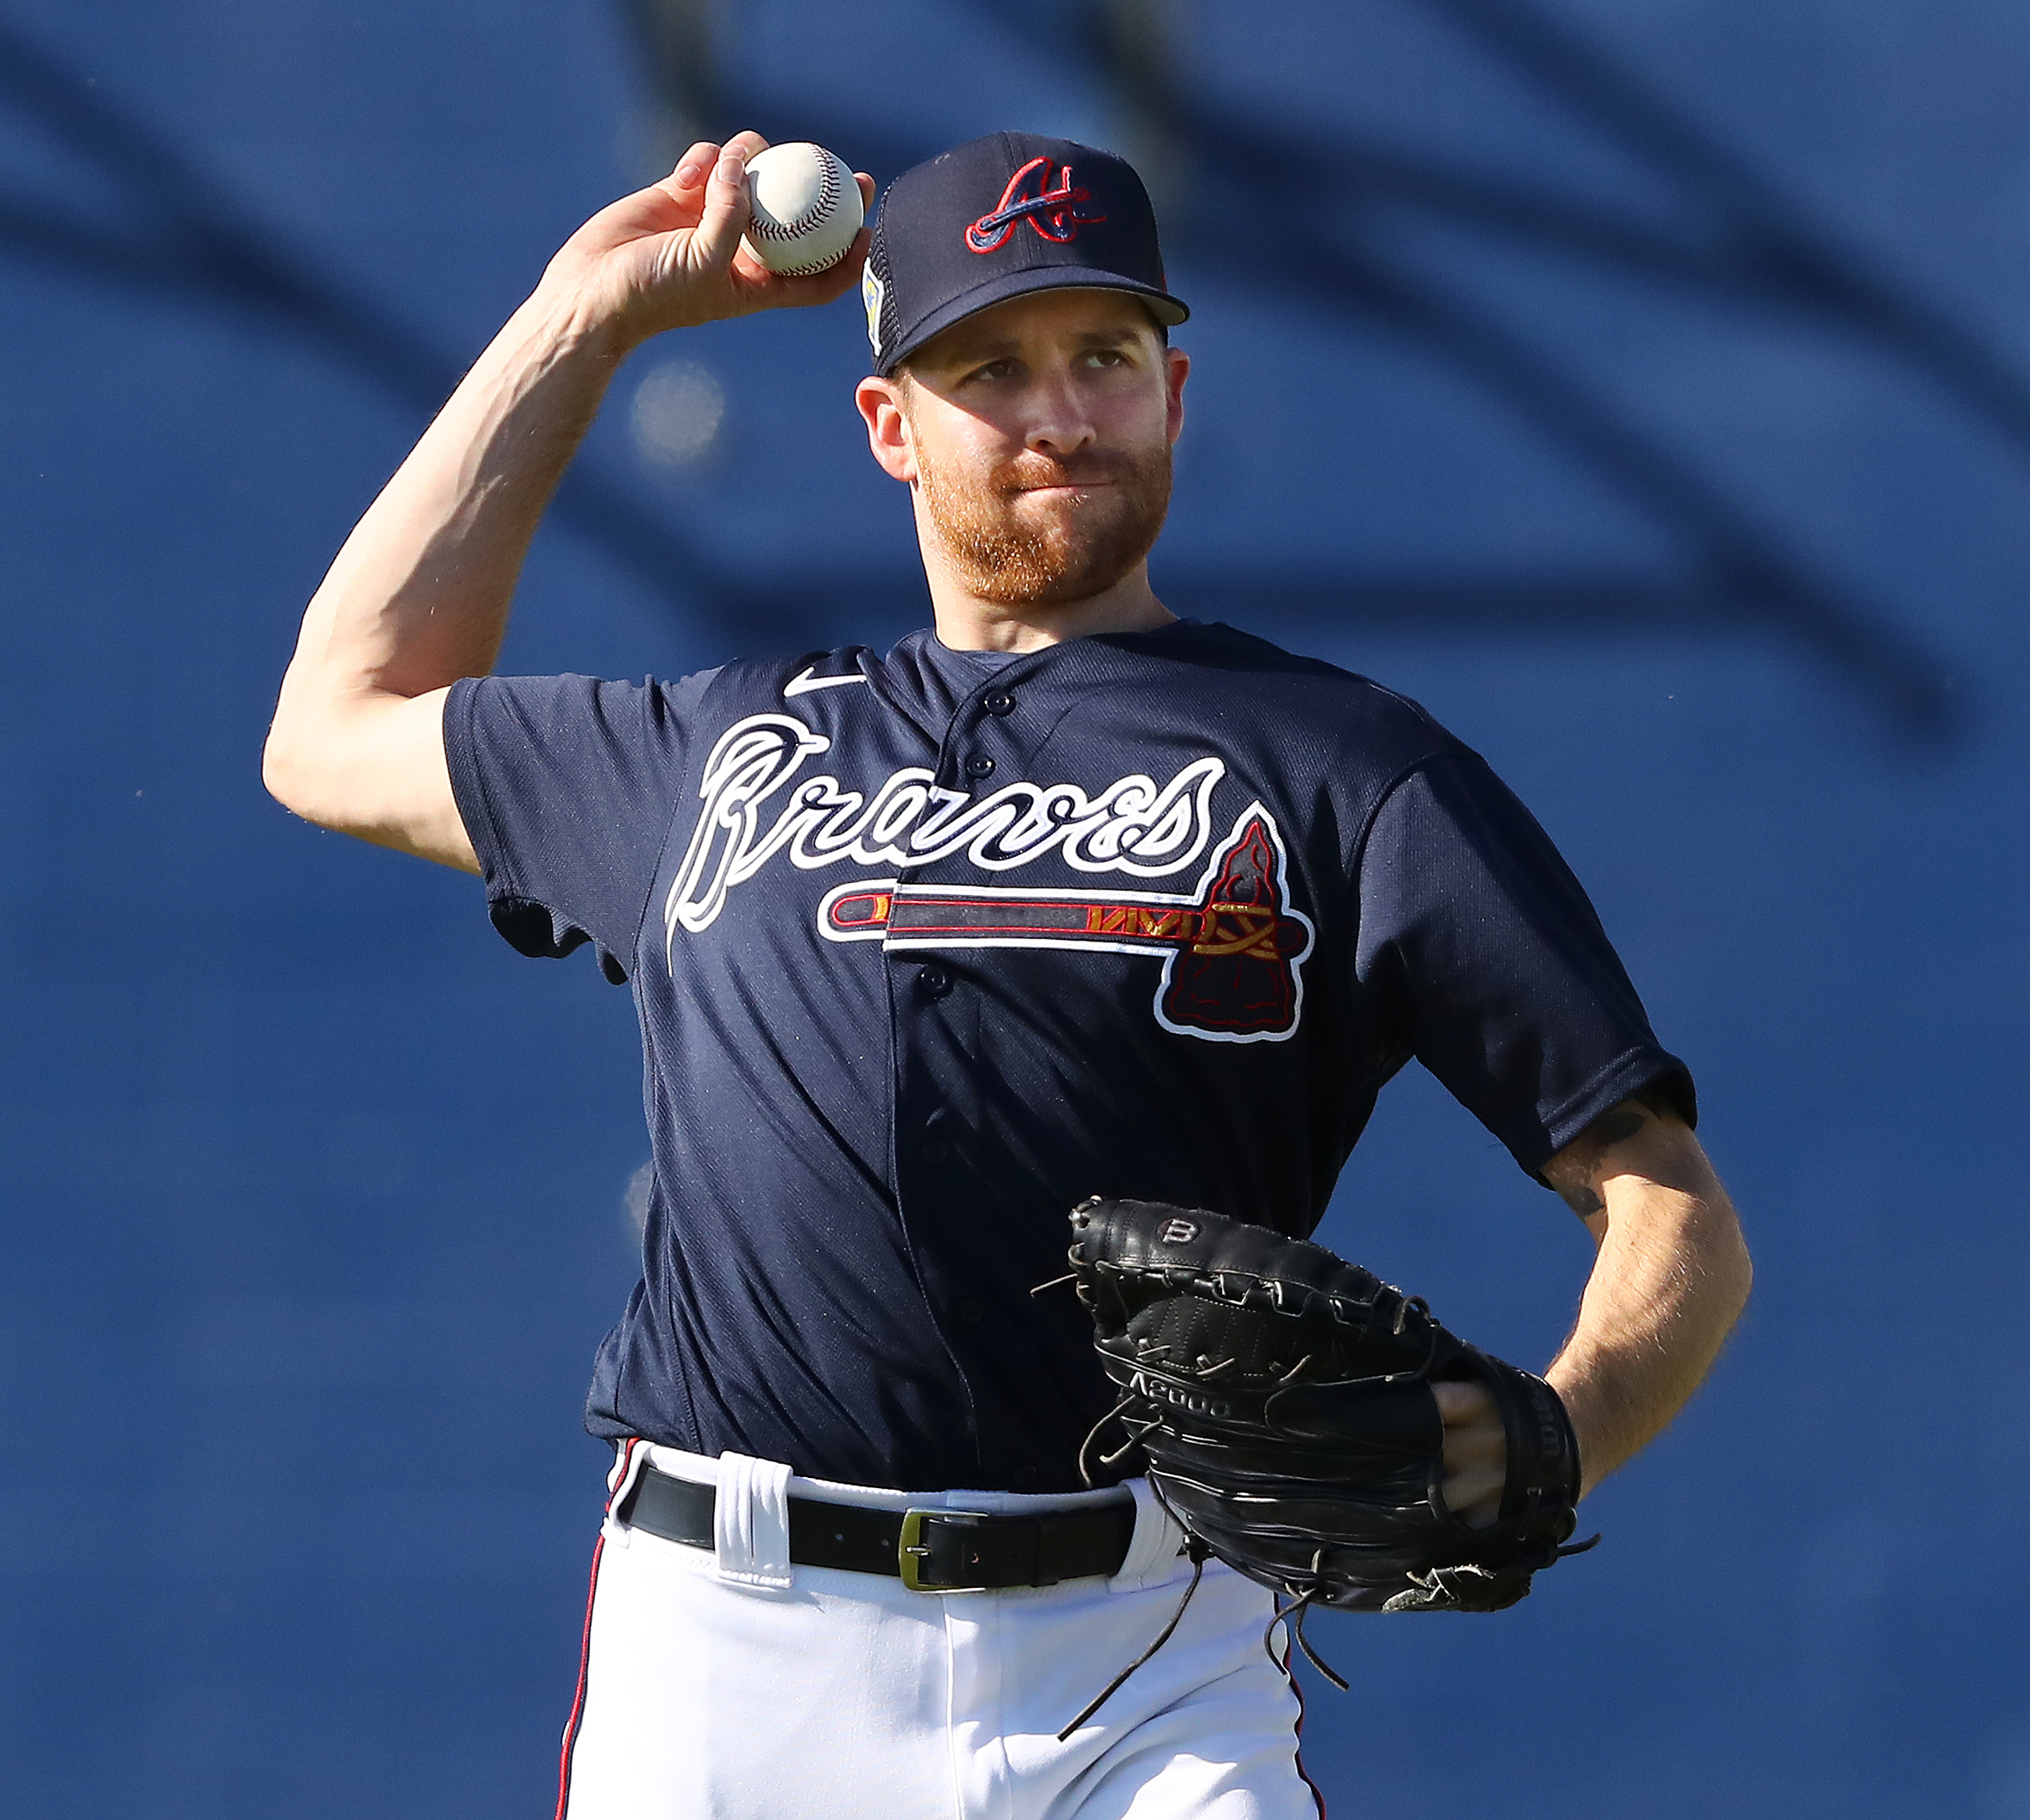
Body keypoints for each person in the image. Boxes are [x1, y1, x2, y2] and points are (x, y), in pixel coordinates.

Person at [264, 128, 1751, 1819]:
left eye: (1103, 357)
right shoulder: (724, 748)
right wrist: (579, 324)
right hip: (734, 1650)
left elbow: (1665, 1200)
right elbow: (333, 728)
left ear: (1173, 393)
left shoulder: (1349, 768)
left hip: (1148, 1650)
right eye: (991, 367)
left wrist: (1560, 1430)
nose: (1060, 413)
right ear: (889, 428)